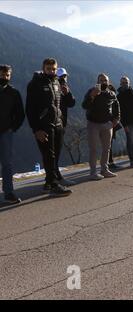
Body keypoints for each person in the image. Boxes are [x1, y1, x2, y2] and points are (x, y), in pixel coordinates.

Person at [26, 58, 72, 197]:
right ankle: (53, 184)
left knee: (55, 154)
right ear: (43, 68)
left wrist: (61, 120)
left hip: (58, 123)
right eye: (48, 69)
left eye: (53, 69)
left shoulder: (56, 82)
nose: (51, 71)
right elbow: (30, 108)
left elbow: (62, 104)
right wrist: (36, 129)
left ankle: (48, 182)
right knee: (49, 155)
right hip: (44, 125)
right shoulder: (35, 84)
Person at [82, 73, 120, 180]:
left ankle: (104, 170)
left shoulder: (111, 93)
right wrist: (92, 96)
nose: (103, 82)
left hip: (107, 124)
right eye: (101, 80)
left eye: (105, 81)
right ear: (97, 82)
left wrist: (116, 119)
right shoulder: (91, 91)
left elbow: (117, 107)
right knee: (93, 149)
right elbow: (84, 105)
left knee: (106, 148)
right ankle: (93, 173)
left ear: (108, 82)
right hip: (93, 124)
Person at [0, 64, 25, 204]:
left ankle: (9, 193)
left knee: (7, 164)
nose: (4, 77)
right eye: (2, 74)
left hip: (6, 133)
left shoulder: (14, 93)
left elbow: (20, 114)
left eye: (7, 75)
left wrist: (12, 128)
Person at [55, 67, 76, 186]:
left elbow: (72, 103)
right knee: (53, 152)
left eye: (65, 77)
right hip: (53, 124)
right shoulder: (53, 87)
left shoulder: (65, 89)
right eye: (61, 77)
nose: (64, 79)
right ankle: (55, 177)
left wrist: (67, 93)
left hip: (62, 124)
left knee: (57, 151)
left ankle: (54, 177)